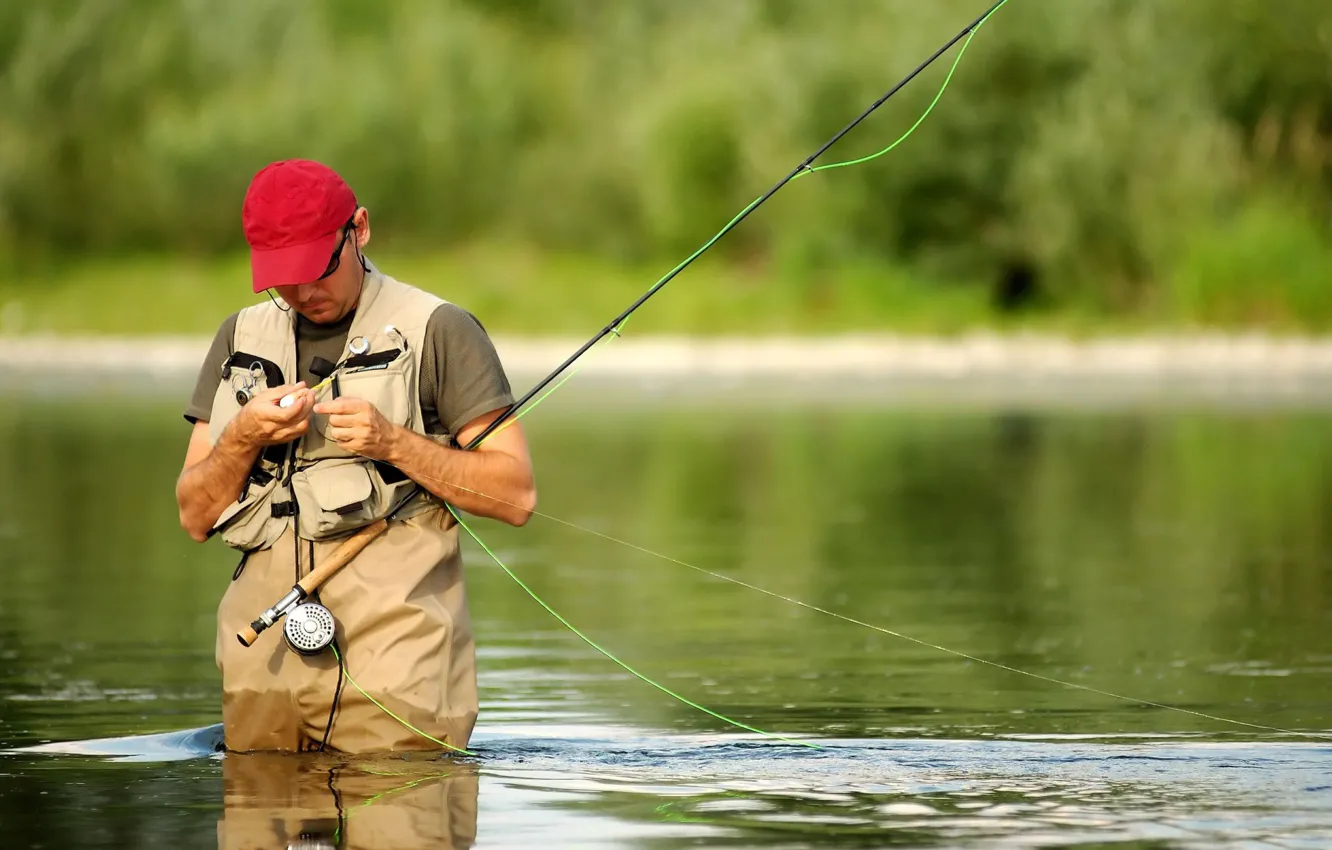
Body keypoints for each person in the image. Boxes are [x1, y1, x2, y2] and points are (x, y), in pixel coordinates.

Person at [175, 158, 536, 754]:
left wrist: (393, 442)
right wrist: (241, 435)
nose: (303, 294)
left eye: (318, 269)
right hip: (259, 668)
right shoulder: (236, 338)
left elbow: (516, 495)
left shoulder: (441, 330)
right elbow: (194, 516)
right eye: (283, 279)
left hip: (399, 673)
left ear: (359, 230)